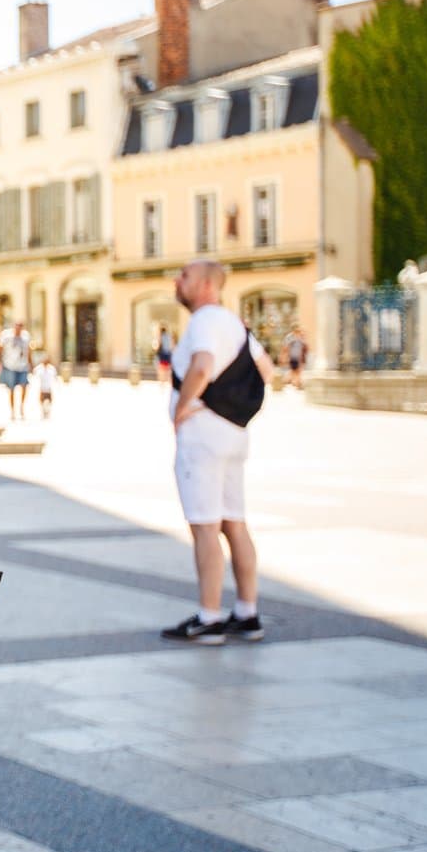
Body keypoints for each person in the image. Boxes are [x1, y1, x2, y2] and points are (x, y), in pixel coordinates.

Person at [161, 259, 275, 646]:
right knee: (234, 522)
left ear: (208, 284)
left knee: (205, 526)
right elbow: (266, 368)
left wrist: (184, 406)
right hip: (233, 434)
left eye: (185, 276)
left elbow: (204, 364)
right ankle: (247, 612)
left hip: (203, 439)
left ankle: (209, 617)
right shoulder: (233, 323)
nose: (178, 281)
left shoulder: (205, 320)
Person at [0, 321, 32, 419]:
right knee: (11, 389)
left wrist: (30, 364)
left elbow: (28, 351)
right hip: (10, 366)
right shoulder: (6, 336)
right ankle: (12, 411)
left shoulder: (26, 337)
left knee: (24, 386)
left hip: (23, 366)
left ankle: (21, 407)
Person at [33, 352, 58, 419]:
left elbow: (55, 377)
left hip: (49, 388)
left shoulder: (52, 368)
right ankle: (43, 411)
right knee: (41, 400)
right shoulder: (39, 368)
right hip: (42, 388)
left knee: (49, 400)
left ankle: (47, 411)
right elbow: (35, 375)